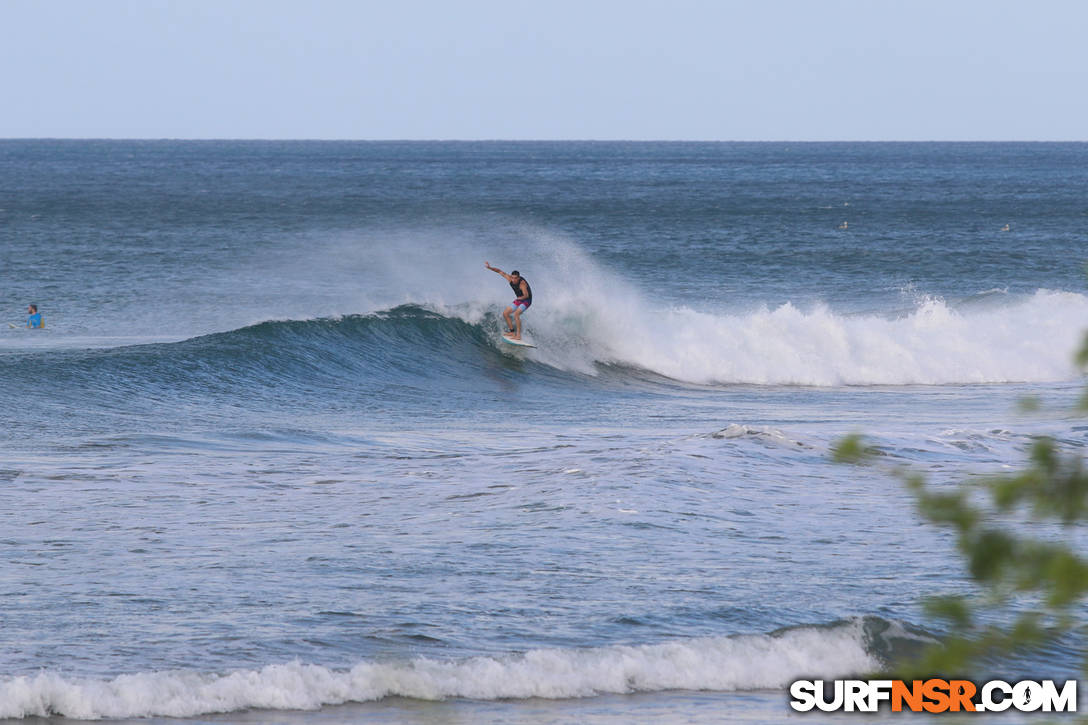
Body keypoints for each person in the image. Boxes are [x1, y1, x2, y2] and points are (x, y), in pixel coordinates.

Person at [485, 262, 532, 340]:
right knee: (505, 313)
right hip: (519, 299)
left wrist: (519, 298)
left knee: (516, 314)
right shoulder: (510, 278)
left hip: (527, 300)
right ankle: (512, 332)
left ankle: (518, 335)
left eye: (515, 278)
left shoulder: (522, 284)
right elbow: (499, 271)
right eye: (512, 277)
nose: (513, 280)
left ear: (519, 278)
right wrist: (490, 268)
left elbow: (526, 295)